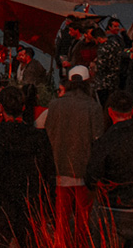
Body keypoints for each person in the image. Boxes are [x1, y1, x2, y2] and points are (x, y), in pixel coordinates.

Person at [0, 86, 55, 248]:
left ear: (1, 108)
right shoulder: (37, 137)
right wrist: (48, 203)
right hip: (27, 204)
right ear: (23, 108)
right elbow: (48, 171)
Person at [86, 91, 133, 248]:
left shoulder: (105, 141)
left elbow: (91, 178)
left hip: (113, 209)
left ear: (110, 112)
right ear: (132, 111)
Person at [45, 65, 106, 241]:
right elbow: (98, 141)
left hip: (60, 169)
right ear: (87, 83)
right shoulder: (93, 107)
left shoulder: (55, 105)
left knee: (62, 220)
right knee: (83, 222)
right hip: (84, 171)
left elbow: (48, 135)